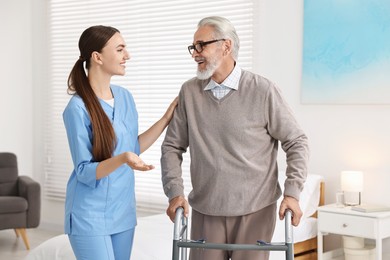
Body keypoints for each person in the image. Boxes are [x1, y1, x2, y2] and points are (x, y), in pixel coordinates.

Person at [160, 16, 309, 260]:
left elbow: (296, 141)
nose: (195, 53)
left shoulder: (262, 90)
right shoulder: (189, 91)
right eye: (193, 47)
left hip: (256, 210)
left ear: (226, 46)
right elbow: (172, 146)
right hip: (205, 209)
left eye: (201, 45)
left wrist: (292, 193)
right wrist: (175, 192)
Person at [63, 25, 177, 260]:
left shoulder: (125, 97)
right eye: (120, 49)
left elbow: (132, 148)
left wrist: (166, 119)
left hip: (123, 211)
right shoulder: (77, 108)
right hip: (90, 215)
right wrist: (124, 158)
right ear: (97, 57)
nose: (128, 55)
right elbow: (84, 171)